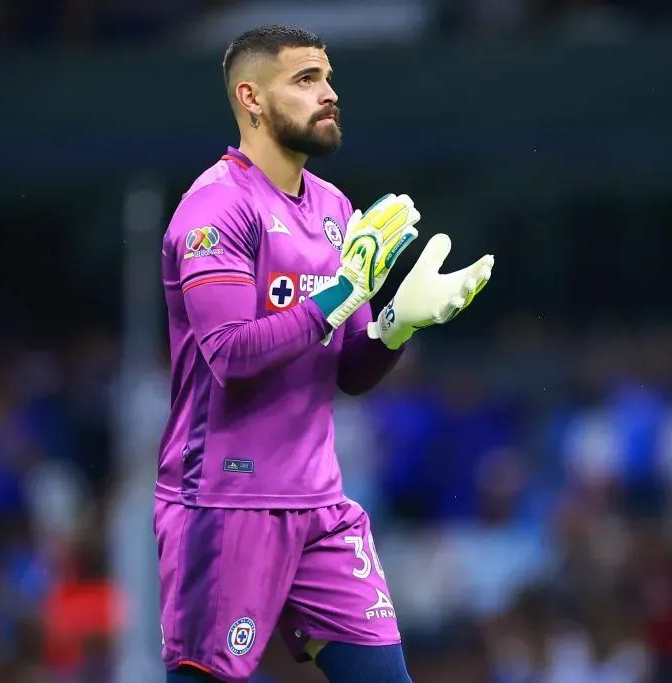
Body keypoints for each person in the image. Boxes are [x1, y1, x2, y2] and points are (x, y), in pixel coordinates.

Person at [155, 25, 494, 683]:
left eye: (328, 77)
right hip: (226, 502)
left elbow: (348, 371)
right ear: (251, 98)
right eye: (306, 80)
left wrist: (396, 323)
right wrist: (340, 294)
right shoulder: (215, 209)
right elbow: (228, 355)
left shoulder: (337, 211)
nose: (329, 93)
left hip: (321, 505)